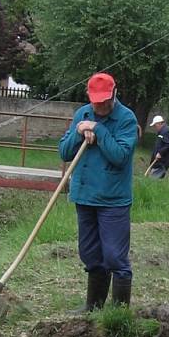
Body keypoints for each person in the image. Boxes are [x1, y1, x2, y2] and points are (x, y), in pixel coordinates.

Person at [58, 72, 138, 312]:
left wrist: (99, 131)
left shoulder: (126, 119)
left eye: (104, 100)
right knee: (90, 253)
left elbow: (121, 157)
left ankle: (119, 312)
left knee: (114, 256)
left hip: (113, 199)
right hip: (84, 196)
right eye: (95, 100)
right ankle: (93, 306)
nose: (100, 105)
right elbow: (64, 152)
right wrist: (79, 132)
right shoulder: (81, 115)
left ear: (114, 93)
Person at [147, 115, 169, 179]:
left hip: (162, 163)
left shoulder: (165, 132)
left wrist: (160, 153)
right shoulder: (163, 131)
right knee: (154, 180)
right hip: (159, 162)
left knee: (152, 180)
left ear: (159, 123)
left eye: (155, 125)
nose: (155, 127)